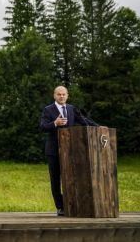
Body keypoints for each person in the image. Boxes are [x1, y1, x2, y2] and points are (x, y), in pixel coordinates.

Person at [40, 86, 86, 216]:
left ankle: (71, 204)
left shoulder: (71, 109)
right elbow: (42, 127)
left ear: (67, 95)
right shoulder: (48, 110)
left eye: (64, 94)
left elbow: (83, 121)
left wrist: (99, 127)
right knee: (55, 180)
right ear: (54, 96)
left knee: (71, 178)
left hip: (70, 151)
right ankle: (60, 207)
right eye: (59, 94)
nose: (61, 96)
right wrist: (55, 123)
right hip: (53, 151)